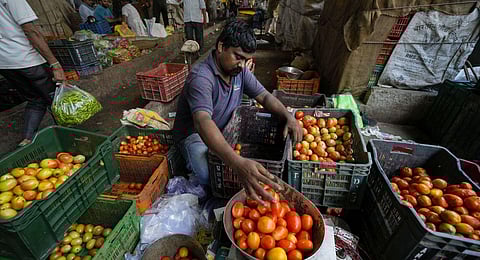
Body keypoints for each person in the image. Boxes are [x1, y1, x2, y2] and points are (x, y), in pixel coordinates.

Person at [172, 20, 302, 203]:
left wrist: (288, 116)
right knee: (208, 175)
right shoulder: (201, 77)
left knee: (233, 165)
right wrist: (236, 163)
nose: (242, 64)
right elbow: (203, 123)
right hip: (195, 135)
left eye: (246, 59)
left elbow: (264, 96)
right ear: (221, 47)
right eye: (238, 56)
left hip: (223, 128)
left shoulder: (238, 70)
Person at [0, 0, 66, 146]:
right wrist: (55, 64)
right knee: (56, 100)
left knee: (36, 99)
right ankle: (69, 139)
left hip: (5, 63)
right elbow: (31, 30)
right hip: (26, 58)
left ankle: (27, 140)